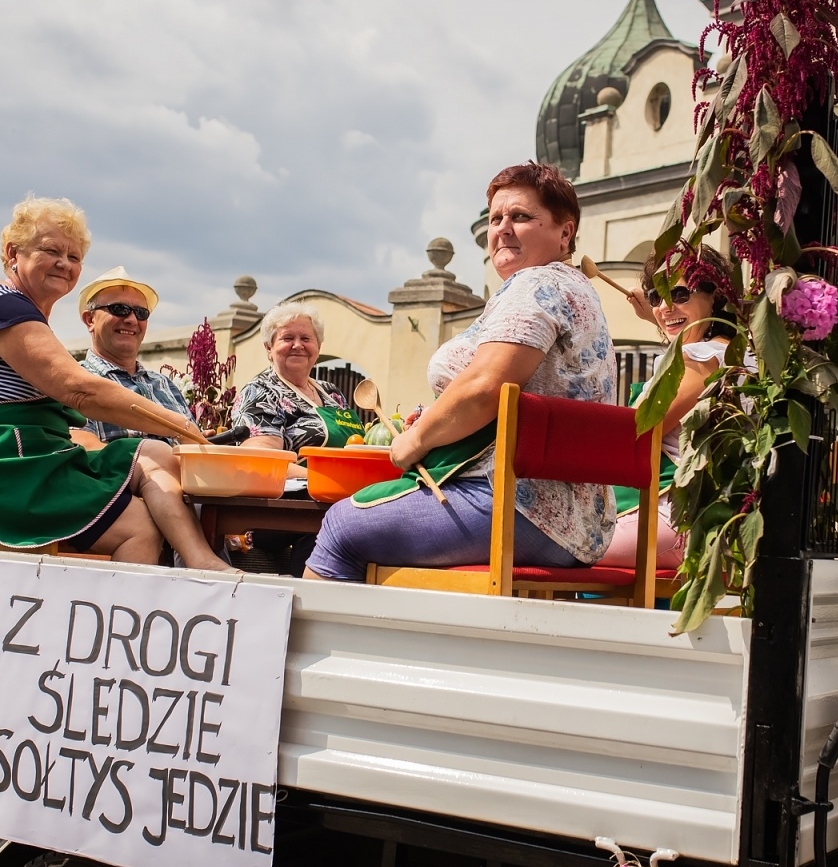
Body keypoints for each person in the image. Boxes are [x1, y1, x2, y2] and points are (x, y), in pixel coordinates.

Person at [306, 161, 616, 582]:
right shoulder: (577, 290)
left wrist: (414, 440)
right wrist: (438, 423)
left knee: (342, 527)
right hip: (576, 522)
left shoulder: (536, 285)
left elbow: (487, 389)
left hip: (521, 508)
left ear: (565, 232)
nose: (502, 228)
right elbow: (510, 405)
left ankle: (321, 648)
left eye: (521, 217)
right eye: (495, 218)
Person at [0, 197, 228, 570]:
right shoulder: (3, 307)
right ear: (12, 252)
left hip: (27, 460)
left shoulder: (25, 315)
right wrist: (185, 428)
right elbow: (80, 390)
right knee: (139, 526)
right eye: (51, 251)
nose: (65, 264)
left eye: (75, 257)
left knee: (154, 453)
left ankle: (201, 562)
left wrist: (183, 435)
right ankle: (112, 622)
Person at [599, 244, 741, 569]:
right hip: (693, 518)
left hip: (678, 519)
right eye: (655, 296)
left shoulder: (704, 358)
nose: (664, 307)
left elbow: (639, 430)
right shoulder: (729, 349)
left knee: (549, 538)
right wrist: (665, 312)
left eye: (678, 293)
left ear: (716, 295)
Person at [70, 266, 197, 447]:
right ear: (90, 319)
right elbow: (83, 449)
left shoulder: (164, 383)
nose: (131, 319)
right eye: (119, 309)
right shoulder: (75, 380)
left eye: (141, 313)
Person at [233, 303, 364, 461]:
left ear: (318, 346)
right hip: (299, 485)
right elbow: (263, 461)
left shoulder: (331, 392)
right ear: (269, 348)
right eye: (288, 338)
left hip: (353, 481)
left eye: (306, 338)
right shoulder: (260, 392)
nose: (298, 345)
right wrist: (327, 480)